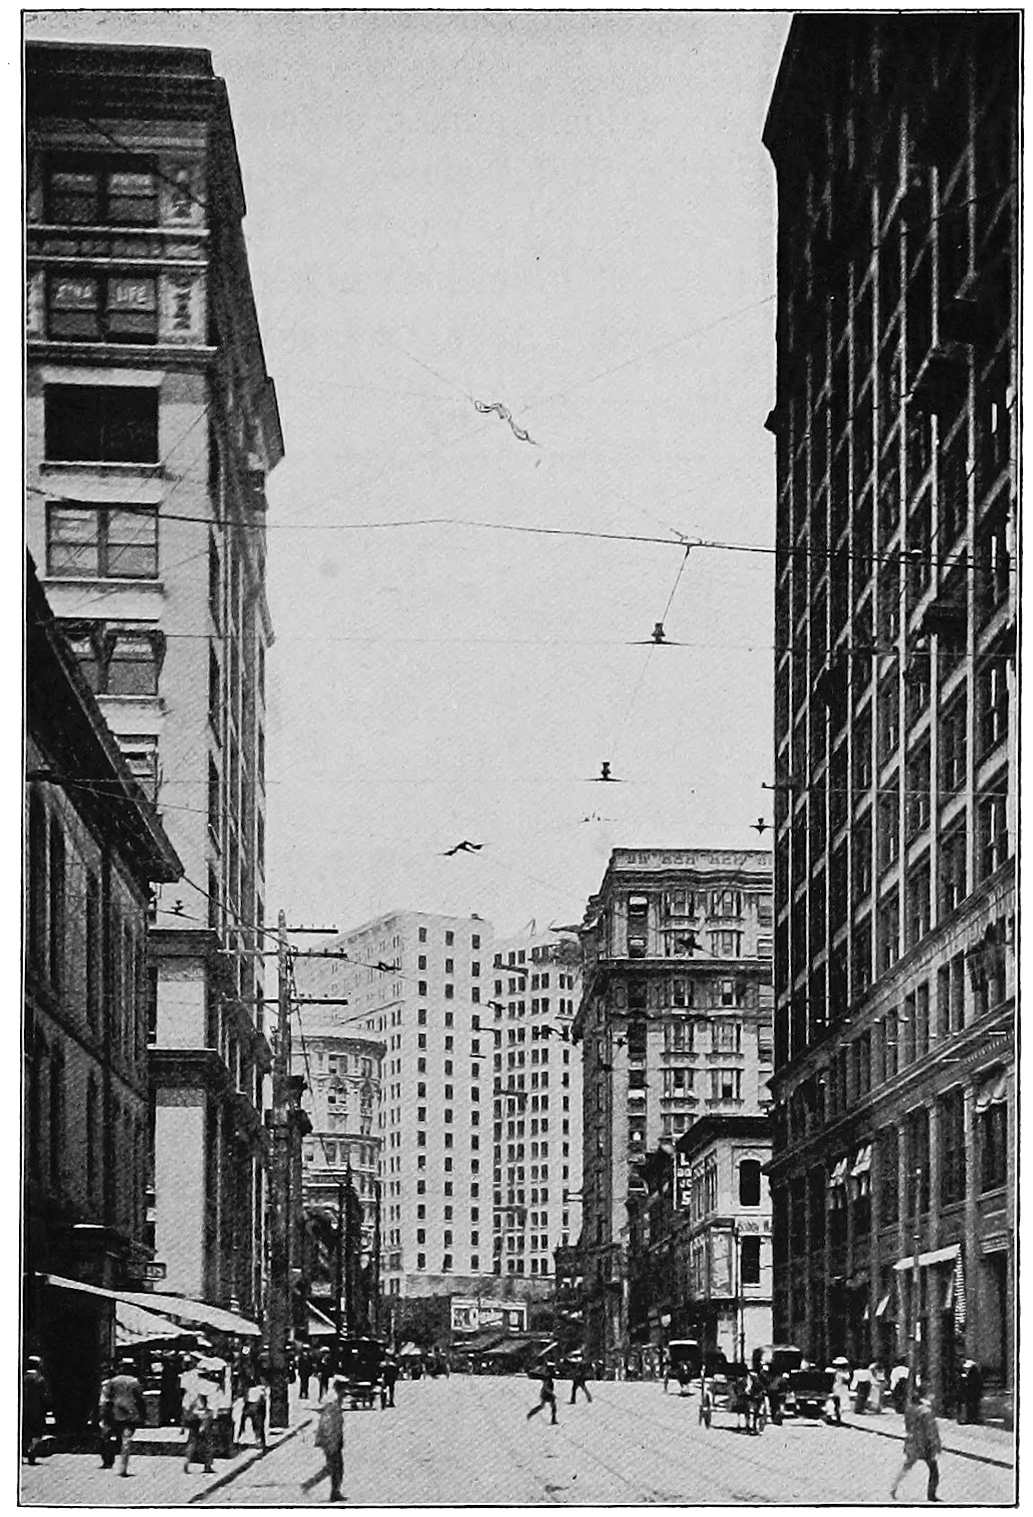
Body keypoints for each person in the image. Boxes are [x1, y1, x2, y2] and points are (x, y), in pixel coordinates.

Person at [891, 1391, 942, 1502]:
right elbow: (931, 1431)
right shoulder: (926, 1412)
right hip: (925, 1444)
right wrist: (936, 1444)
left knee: (907, 1466)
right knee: (934, 1470)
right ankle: (931, 1494)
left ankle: (894, 1486)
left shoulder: (909, 1410)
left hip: (912, 1441)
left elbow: (907, 1426)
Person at [99, 1357, 144, 1477]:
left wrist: (104, 1413)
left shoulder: (112, 1381)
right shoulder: (135, 1382)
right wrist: (142, 1414)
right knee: (126, 1440)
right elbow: (139, 1399)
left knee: (107, 1436)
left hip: (114, 1412)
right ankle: (123, 1466)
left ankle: (108, 1460)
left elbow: (107, 1399)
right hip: (130, 1413)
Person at [314, 1376, 345, 1501]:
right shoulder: (333, 1403)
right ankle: (310, 1486)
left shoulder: (334, 1400)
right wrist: (331, 1442)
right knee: (335, 1467)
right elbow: (328, 1424)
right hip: (331, 1440)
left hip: (333, 1439)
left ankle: (334, 1491)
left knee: (334, 1467)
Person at [181, 1361, 215, 1475]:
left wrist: (183, 1421)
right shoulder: (210, 1386)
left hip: (192, 1415)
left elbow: (185, 1405)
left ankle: (187, 1461)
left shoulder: (190, 1387)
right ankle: (207, 1465)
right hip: (204, 1415)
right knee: (208, 1441)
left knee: (192, 1440)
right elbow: (211, 1405)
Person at [22, 1356, 48, 1465]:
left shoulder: (22, 1378)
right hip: (37, 1411)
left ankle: (22, 1452)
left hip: (23, 1410)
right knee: (36, 1433)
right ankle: (31, 1451)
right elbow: (44, 1396)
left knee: (24, 1432)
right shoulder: (40, 1379)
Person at [241, 1379, 268, 1450]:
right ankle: (259, 1440)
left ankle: (258, 1440)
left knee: (257, 1422)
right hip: (254, 1400)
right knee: (258, 1422)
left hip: (253, 1400)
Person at [960, 1360, 983, 1425]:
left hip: (974, 1393)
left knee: (974, 1405)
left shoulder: (975, 1375)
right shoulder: (965, 1374)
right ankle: (968, 1418)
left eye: (968, 1368)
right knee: (968, 1405)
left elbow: (976, 1384)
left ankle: (973, 1418)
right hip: (967, 1393)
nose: (966, 1369)